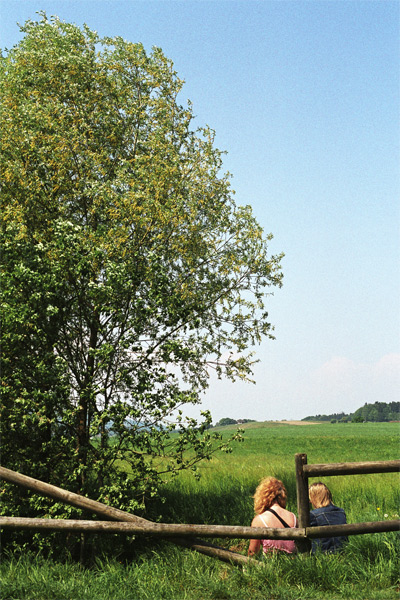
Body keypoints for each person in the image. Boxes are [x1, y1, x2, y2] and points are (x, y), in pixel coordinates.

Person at [248, 476, 297, 556]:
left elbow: (252, 553)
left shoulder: (259, 520)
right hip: (294, 565)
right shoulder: (293, 517)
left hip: (270, 566)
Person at [309, 482, 348, 553]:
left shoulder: (313, 515)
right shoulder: (341, 511)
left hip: (322, 553)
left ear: (314, 498)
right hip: (342, 551)